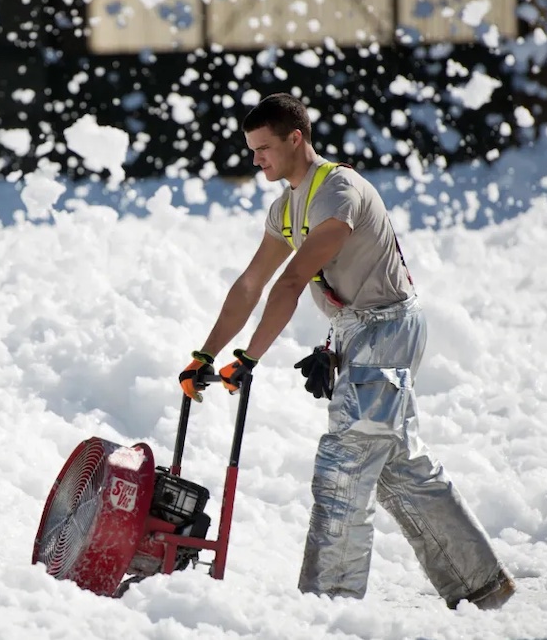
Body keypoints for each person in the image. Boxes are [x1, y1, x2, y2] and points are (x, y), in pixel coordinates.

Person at [177, 93, 515, 610]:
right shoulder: (286, 207)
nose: (256, 159)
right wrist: (205, 355)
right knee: (396, 464)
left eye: (264, 148)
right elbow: (250, 284)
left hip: (388, 328)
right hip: (358, 331)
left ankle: (326, 604)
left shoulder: (337, 191)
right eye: (251, 150)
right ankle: (481, 583)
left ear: (297, 138)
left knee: (346, 462)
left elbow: (290, 282)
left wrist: (248, 359)